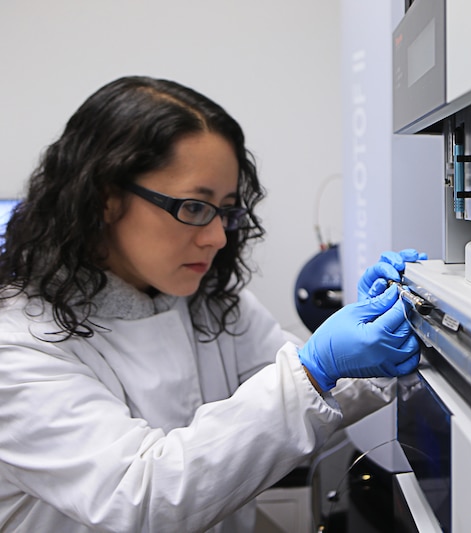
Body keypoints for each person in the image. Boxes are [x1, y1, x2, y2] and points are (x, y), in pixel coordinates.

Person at [0, 76, 425, 532]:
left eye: (225, 209)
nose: (218, 237)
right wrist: (315, 368)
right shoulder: (21, 346)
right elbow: (141, 497)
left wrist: (380, 341)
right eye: (194, 207)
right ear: (105, 198)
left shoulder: (210, 302)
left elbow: (298, 394)